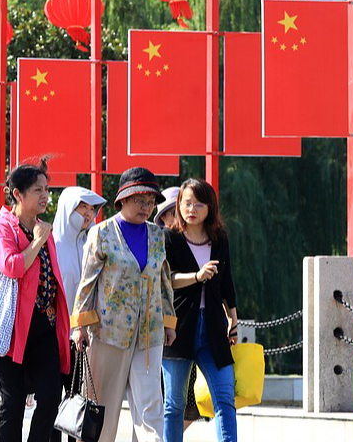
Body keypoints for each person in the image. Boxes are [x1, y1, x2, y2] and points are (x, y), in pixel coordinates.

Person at [70, 167, 177, 442]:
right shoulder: (102, 233)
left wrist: (168, 321)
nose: (147, 207)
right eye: (140, 200)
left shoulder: (156, 235)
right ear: (123, 200)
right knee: (102, 407)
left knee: (151, 407)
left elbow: (163, 280)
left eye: (151, 201)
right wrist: (80, 326)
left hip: (149, 334)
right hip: (108, 333)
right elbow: (87, 283)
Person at [0, 162, 71, 442]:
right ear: (17, 194)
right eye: (37, 190)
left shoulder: (43, 228)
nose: (45, 195)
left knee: (50, 395)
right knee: (14, 400)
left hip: (43, 327)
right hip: (8, 331)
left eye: (47, 189)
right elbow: (12, 266)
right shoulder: (0, 226)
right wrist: (36, 242)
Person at [161, 179, 239, 442]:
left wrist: (233, 318)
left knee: (225, 398)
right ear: (178, 205)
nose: (191, 209)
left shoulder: (219, 239)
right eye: (186, 203)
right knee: (174, 404)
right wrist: (196, 275)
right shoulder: (169, 237)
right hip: (178, 327)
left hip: (214, 327)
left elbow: (227, 280)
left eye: (198, 204)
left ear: (210, 207)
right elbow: (166, 279)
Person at [49, 186, 106, 420]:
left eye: (92, 209)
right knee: (51, 399)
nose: (88, 213)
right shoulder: (49, 243)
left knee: (78, 401)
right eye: (83, 207)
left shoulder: (93, 245)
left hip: (83, 336)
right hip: (52, 334)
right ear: (67, 208)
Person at [154, 186, 208, 431]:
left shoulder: (205, 241)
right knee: (169, 399)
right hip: (166, 328)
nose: (185, 214)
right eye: (175, 211)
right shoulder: (160, 243)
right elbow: (164, 282)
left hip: (194, 325)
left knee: (190, 402)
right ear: (164, 217)